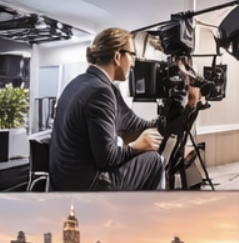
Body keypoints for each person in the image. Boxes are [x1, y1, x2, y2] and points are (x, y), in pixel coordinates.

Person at [48, 26, 195, 191]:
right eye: (132, 55)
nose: (133, 63)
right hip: (88, 186)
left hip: (62, 184)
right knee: (154, 160)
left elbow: (139, 126)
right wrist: (136, 146)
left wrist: (180, 105)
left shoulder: (80, 83)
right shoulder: (101, 92)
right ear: (118, 56)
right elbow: (107, 159)